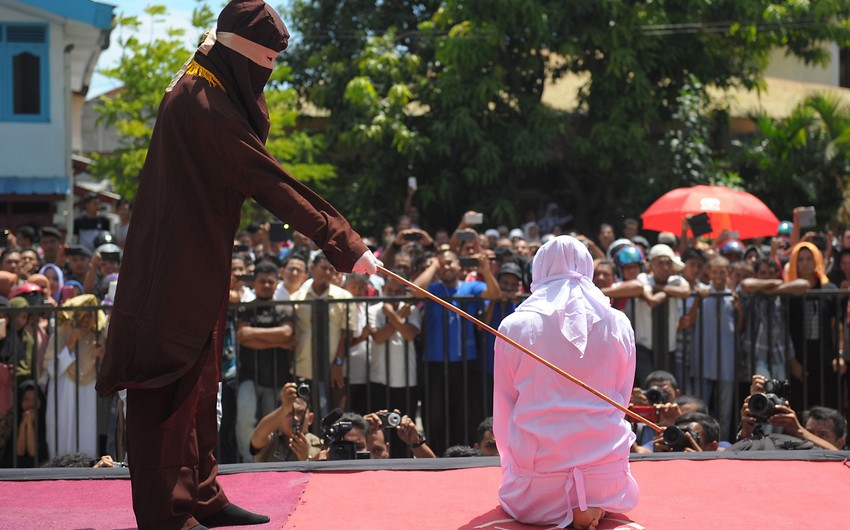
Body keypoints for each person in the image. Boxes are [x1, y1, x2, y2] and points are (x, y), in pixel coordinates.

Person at [95, 2, 380, 529]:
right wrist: (343, 242)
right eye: (266, 63)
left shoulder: (209, 77)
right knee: (168, 390)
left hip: (197, 261)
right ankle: (166, 513)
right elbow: (266, 178)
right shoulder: (203, 104)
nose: (267, 75)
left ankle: (202, 494)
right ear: (244, 56)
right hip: (171, 269)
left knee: (202, 388)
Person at [494, 236, 638, 530]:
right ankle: (593, 502)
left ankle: (568, 504)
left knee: (518, 491)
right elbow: (621, 400)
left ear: (538, 269)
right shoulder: (618, 322)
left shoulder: (514, 326)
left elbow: (504, 410)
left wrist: (513, 469)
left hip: (537, 489)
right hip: (607, 478)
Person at [45, 295, 106, 459]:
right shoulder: (61, 335)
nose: (86, 320)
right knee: (62, 429)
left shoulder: (98, 338)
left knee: (86, 430)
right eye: (82, 315)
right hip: (64, 390)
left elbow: (105, 376)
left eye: (89, 316)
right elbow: (52, 369)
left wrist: (99, 357)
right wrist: (70, 344)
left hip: (88, 392)